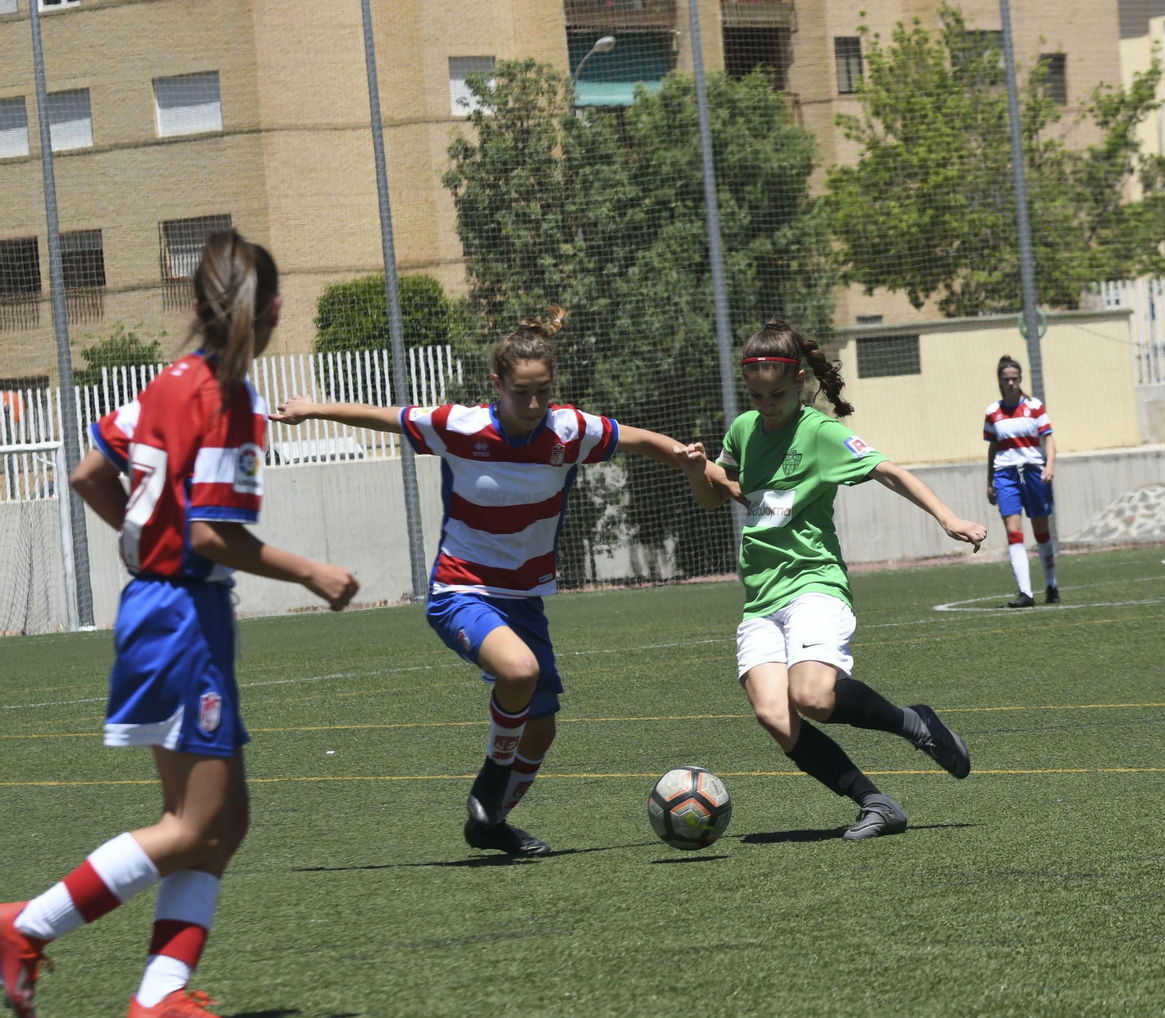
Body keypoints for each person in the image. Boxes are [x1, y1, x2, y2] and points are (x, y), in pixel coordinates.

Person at [0, 232, 360, 1018]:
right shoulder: (230, 401)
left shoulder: (167, 383)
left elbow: (90, 471)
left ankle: (158, 997)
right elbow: (208, 534)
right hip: (181, 616)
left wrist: (141, 540)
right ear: (267, 312)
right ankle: (25, 926)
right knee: (194, 823)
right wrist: (311, 571)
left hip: (166, 607)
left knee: (225, 821)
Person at [271, 310, 687, 858]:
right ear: (497, 385)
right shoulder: (461, 426)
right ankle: (488, 789)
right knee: (519, 671)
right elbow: (386, 416)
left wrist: (689, 459)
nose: (534, 405)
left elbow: (642, 441)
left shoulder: (569, 431)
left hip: (526, 601)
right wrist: (313, 408)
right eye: (521, 393)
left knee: (540, 732)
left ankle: (489, 824)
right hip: (460, 593)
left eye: (543, 392)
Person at [674, 319, 987, 840]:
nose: (766, 404)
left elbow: (889, 471)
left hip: (813, 585)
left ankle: (916, 724)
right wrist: (694, 471)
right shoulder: (743, 431)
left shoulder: (821, 433)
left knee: (814, 696)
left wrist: (947, 517)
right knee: (776, 716)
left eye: (777, 394)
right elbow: (720, 493)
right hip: (760, 600)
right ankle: (875, 803)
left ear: (799, 383)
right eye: (757, 395)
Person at [984, 356, 1058, 607]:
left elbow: (1048, 439)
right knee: (1013, 532)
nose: (1011, 383)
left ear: (1020, 379)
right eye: (1006, 379)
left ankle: (1051, 585)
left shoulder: (1035, 406)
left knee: (1041, 532)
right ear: (1000, 382)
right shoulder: (993, 412)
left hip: (1034, 472)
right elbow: (993, 448)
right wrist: (990, 480)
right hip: (1005, 474)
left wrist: (1049, 465)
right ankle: (1026, 592)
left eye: (1015, 378)